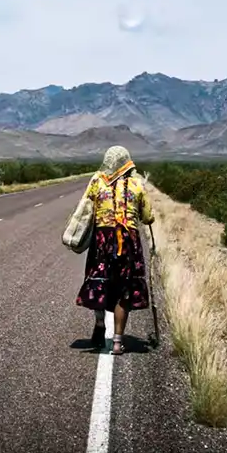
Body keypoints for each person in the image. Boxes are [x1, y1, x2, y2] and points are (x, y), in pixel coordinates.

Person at [63, 145, 155, 355]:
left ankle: (99, 325)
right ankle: (117, 342)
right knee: (124, 289)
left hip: (102, 240)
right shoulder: (137, 183)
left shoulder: (96, 181)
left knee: (100, 281)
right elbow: (148, 216)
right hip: (128, 242)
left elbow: (86, 206)